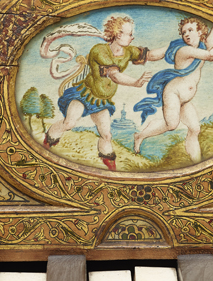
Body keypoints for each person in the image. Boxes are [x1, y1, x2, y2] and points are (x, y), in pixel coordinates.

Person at [43, 14, 162, 171]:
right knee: (69, 123)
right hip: (84, 95)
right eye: (130, 34)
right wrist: (135, 82)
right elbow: (114, 74)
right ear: (118, 34)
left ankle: (110, 166)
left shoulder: (128, 51)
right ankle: (47, 142)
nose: (132, 37)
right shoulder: (99, 50)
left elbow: (150, 55)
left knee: (106, 135)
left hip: (101, 101)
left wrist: (175, 48)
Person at [133, 17, 213, 162]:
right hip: (173, 93)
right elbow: (211, 55)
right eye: (183, 32)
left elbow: (209, 43)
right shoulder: (184, 50)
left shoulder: (200, 47)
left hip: (185, 99)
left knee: (195, 129)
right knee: (171, 124)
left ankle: (196, 162)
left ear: (200, 32)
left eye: (190, 30)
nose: (186, 34)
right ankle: (139, 136)